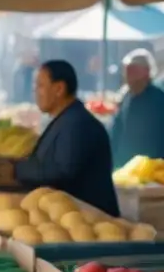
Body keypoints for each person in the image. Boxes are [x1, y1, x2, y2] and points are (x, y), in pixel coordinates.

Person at [16, 60, 119, 216]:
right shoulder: (66, 119)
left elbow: (61, 172)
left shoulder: (77, 124)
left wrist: (16, 168)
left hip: (90, 223)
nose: (36, 92)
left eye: (40, 85)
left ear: (59, 89)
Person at [111, 50, 164, 167]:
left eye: (133, 70)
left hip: (151, 166)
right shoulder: (125, 97)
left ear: (146, 71)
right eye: (127, 70)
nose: (128, 75)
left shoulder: (159, 99)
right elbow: (116, 130)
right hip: (123, 165)